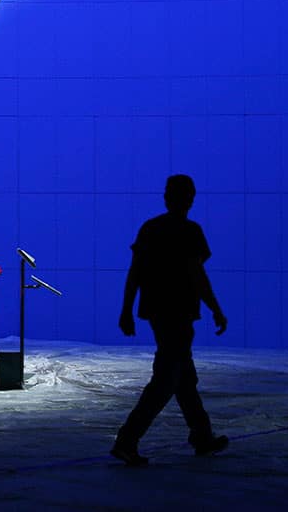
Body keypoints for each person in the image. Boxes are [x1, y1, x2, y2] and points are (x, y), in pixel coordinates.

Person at [111, 174, 229, 466]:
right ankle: (127, 440)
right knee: (166, 380)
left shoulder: (152, 229)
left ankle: (202, 436)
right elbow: (198, 276)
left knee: (184, 378)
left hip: (159, 313)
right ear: (190, 198)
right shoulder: (190, 232)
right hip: (178, 314)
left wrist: (127, 310)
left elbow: (135, 273)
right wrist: (215, 308)